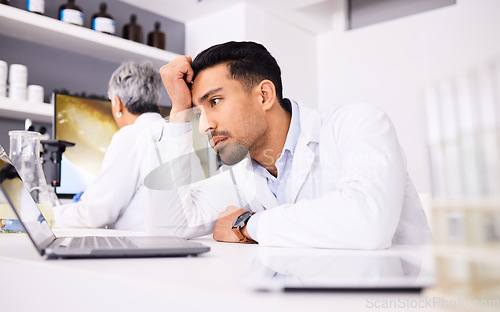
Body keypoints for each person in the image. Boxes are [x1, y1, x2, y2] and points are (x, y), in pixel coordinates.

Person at [144, 41, 431, 248]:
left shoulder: (358, 123)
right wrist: (179, 110)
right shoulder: (240, 174)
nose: (205, 125)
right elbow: (166, 228)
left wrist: (247, 225)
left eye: (215, 102)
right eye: (199, 111)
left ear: (265, 95)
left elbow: (369, 225)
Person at [53, 61, 166, 231]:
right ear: (156, 99)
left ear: (117, 103)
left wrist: (49, 215)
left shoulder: (131, 135)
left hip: (137, 247)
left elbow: (96, 214)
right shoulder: (171, 130)